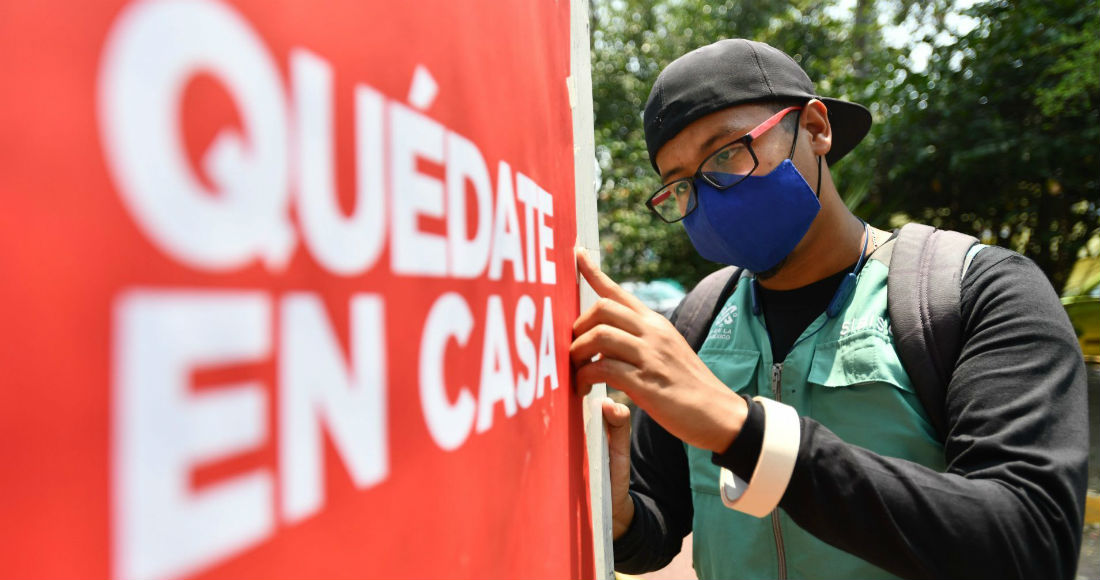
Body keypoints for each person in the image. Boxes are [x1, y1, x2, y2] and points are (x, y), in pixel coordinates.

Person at [571, 38, 1088, 579]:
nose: (710, 193)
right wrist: (621, 515)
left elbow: (1032, 544)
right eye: (681, 184)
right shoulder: (701, 319)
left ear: (815, 128)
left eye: (726, 153)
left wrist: (745, 433)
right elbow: (660, 527)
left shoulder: (975, 293)